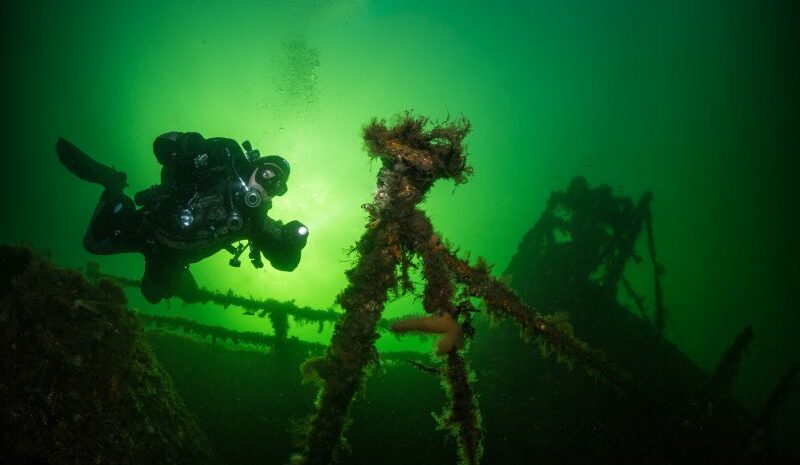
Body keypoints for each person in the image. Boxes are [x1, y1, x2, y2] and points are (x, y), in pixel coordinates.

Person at [56, 131, 309, 304]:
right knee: (92, 243)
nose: (268, 183)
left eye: (276, 185)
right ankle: (113, 183)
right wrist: (189, 144)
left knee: (154, 295)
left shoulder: (255, 221)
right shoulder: (219, 163)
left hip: (173, 257)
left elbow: (286, 263)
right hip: (147, 227)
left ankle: (176, 277)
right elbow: (161, 144)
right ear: (256, 166)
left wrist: (295, 239)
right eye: (267, 173)